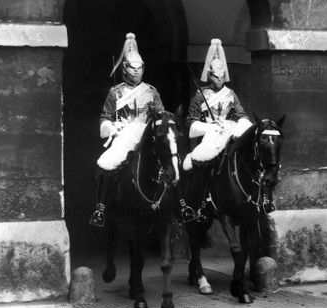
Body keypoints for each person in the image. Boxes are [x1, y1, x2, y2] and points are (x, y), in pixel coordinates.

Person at [89, 33, 194, 227]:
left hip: (149, 134)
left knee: (173, 159)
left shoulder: (151, 91)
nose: (136, 72)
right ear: (125, 68)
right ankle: (101, 208)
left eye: (139, 68)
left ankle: (182, 205)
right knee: (106, 163)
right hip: (124, 135)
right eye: (132, 68)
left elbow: (161, 114)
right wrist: (111, 126)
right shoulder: (116, 92)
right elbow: (105, 116)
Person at [182, 38, 253, 222]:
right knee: (200, 163)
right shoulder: (201, 95)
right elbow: (191, 122)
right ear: (210, 74)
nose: (219, 80)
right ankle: (199, 202)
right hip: (208, 136)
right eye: (215, 76)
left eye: (222, 76)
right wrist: (209, 127)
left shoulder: (230, 94)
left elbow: (242, 114)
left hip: (227, 131)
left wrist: (240, 126)